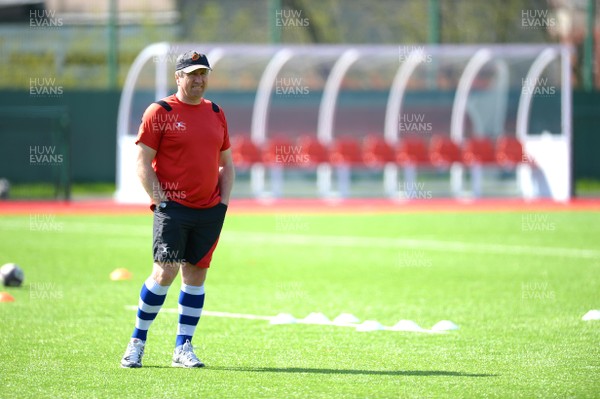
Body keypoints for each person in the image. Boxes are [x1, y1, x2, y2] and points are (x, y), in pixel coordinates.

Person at [120, 50, 235, 368]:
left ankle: (183, 348)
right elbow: (142, 161)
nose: (199, 79)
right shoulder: (160, 110)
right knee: (165, 271)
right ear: (178, 77)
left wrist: (223, 203)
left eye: (203, 74)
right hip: (173, 208)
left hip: (209, 209)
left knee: (196, 275)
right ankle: (137, 341)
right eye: (192, 74)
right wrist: (160, 199)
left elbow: (226, 163)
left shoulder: (215, 112)